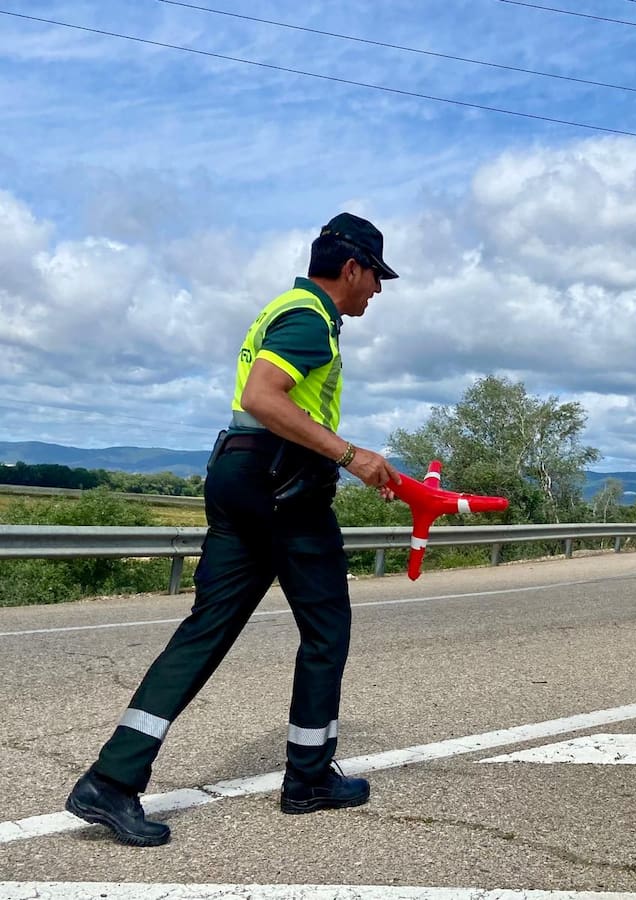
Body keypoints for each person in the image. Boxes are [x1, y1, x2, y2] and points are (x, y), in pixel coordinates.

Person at [65, 213, 402, 846]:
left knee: (206, 630)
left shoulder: (283, 307)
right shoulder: (312, 321)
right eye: (376, 277)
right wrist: (351, 455)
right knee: (327, 628)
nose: (377, 292)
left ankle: (111, 781)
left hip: (240, 475)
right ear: (351, 268)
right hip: (283, 486)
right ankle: (308, 779)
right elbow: (262, 396)